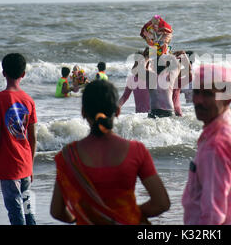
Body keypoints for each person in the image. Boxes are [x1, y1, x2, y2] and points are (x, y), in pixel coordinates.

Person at [50, 80, 170, 225]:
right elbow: (162, 203)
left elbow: (57, 211)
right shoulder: (136, 151)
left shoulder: (68, 156)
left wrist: (81, 217)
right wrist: (124, 214)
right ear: (117, 111)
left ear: (83, 112)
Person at [182, 64, 231, 225]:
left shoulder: (217, 145)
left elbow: (212, 217)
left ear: (227, 98)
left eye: (208, 94)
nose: (198, 101)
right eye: (196, 92)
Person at [0, 53, 37, 225]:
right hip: (25, 162)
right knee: (27, 208)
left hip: (8, 164)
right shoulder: (29, 100)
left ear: (3, 73)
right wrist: (31, 164)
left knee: (15, 210)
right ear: (23, 74)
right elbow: (33, 137)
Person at [146, 52, 186, 118]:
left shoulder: (149, 76)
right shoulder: (171, 76)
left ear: (153, 67)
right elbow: (177, 66)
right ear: (166, 66)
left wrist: (147, 58)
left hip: (154, 111)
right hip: (169, 110)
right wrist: (171, 56)